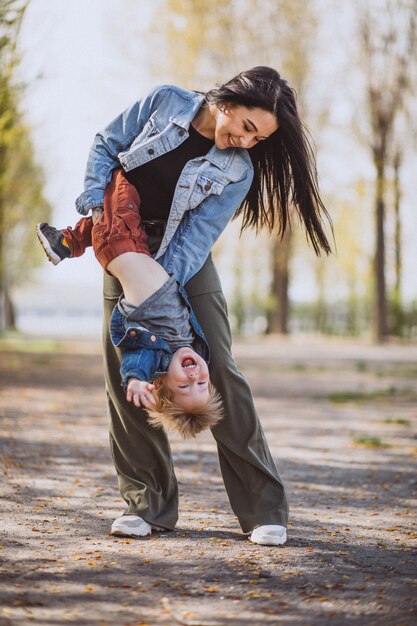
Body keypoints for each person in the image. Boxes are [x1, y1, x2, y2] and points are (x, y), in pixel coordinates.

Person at [61, 66, 332, 543]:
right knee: (127, 375)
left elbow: (195, 240)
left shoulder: (238, 171)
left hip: (182, 262)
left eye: (257, 139)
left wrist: (154, 290)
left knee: (221, 370)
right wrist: (95, 206)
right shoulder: (166, 101)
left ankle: (264, 510)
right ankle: (148, 504)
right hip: (123, 245)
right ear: (230, 99)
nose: (246, 142)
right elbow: (107, 143)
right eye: (247, 127)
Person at [37, 170, 223, 439]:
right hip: (134, 246)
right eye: (202, 383)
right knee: (105, 217)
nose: (194, 377)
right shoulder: (192, 347)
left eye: (185, 387)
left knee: (124, 178)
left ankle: (72, 237)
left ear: (159, 381)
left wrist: (135, 379)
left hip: (119, 245)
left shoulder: (155, 355)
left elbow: (136, 360)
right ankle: (66, 242)